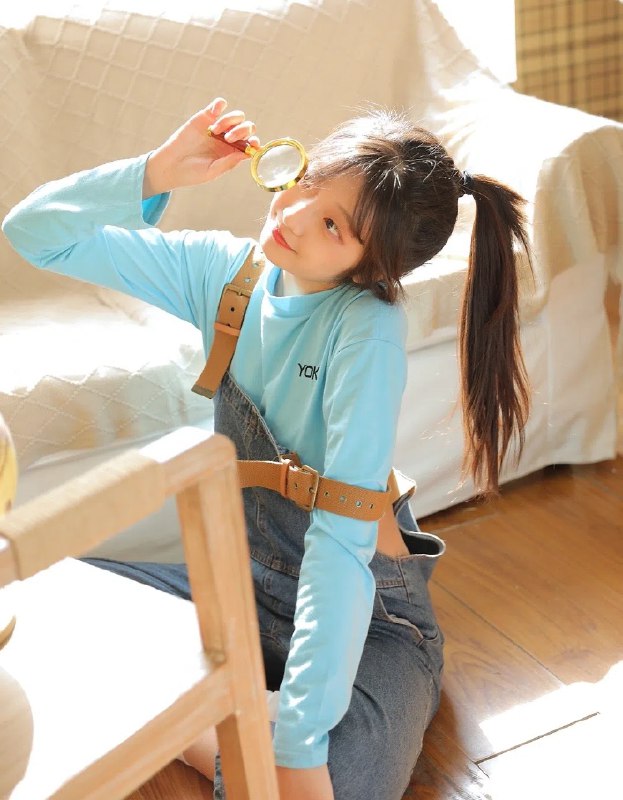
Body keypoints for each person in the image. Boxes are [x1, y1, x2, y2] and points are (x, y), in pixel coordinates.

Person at [2, 96, 532, 800]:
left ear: (371, 267)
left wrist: (301, 738)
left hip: (368, 622)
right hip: (236, 586)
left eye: (333, 224)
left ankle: (216, 714)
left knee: (318, 785)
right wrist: (158, 170)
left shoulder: (365, 333)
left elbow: (341, 549)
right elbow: (34, 233)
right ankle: (232, 718)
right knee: (39, 607)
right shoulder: (229, 275)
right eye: (307, 181)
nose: (294, 215)